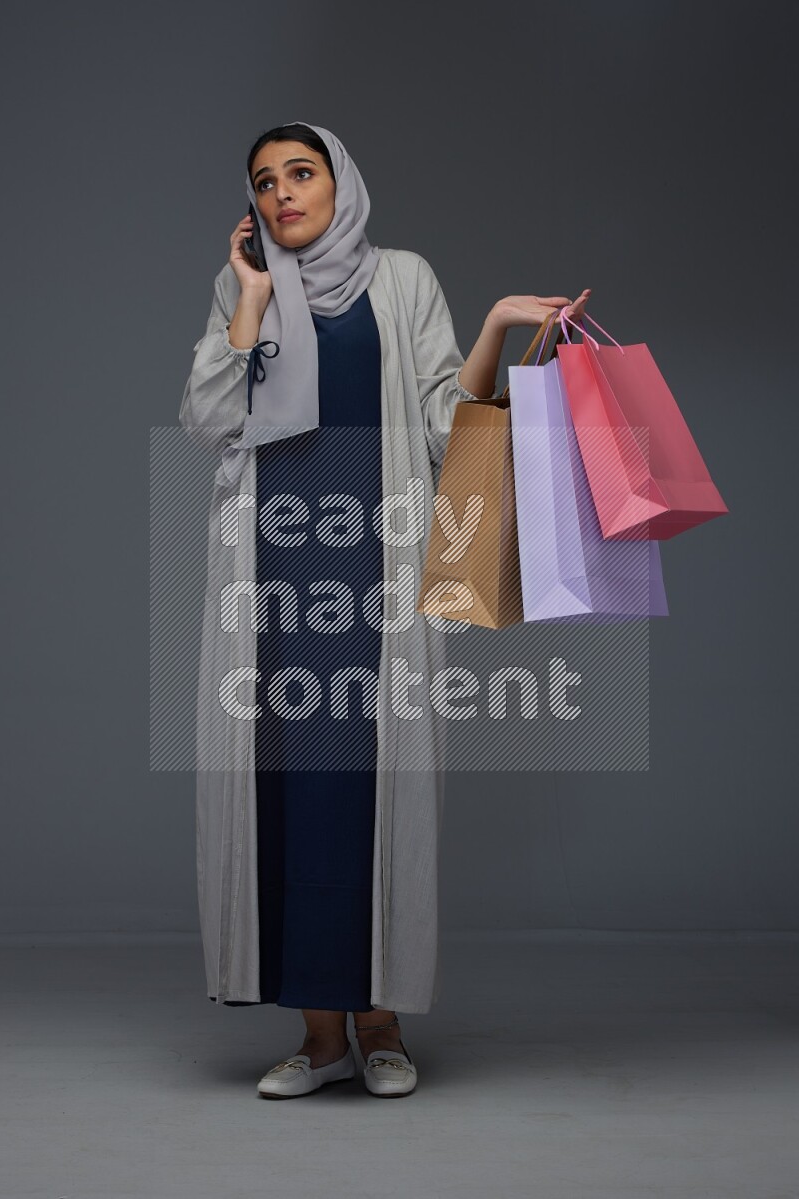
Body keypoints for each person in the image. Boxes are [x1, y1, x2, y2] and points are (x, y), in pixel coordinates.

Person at [179, 121, 590, 1099]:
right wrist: (247, 299)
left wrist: (493, 323)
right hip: (275, 583)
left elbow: (452, 423)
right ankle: (321, 1037)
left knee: (370, 790)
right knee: (288, 798)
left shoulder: (400, 279)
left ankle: (381, 1021)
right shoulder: (251, 287)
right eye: (265, 181)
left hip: (378, 569)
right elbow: (205, 418)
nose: (284, 193)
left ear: (338, 181)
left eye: (301, 173)